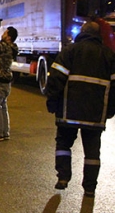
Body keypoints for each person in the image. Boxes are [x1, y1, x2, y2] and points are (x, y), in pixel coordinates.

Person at [45, 21, 115, 198]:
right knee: (92, 151)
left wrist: (52, 101)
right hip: (95, 113)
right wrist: (110, 109)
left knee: (63, 143)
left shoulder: (70, 51)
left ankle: (63, 178)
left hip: (69, 111)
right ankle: (90, 188)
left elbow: (56, 78)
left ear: (82, 32)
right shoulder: (108, 55)